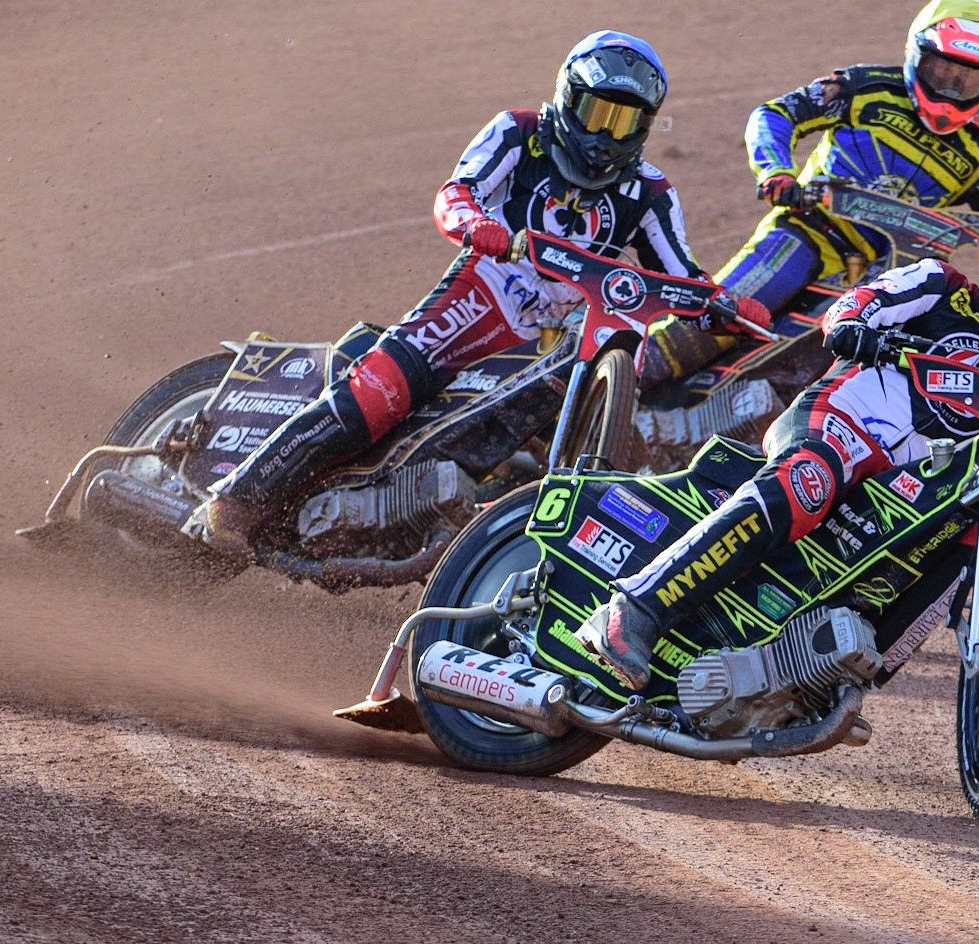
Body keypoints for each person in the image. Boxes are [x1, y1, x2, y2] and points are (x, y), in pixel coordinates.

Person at [579, 179, 979, 691]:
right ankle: (634, 607)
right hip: (847, 425)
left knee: (970, 535)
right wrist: (858, 329)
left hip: (914, 497)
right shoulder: (938, 286)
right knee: (808, 482)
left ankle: (815, 677)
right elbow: (852, 306)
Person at [188, 30, 756, 553]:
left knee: (617, 455)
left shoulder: (649, 191)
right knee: (381, 393)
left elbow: (680, 275)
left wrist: (723, 306)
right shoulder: (519, 132)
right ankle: (233, 503)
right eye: (597, 112)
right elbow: (456, 191)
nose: (608, 134)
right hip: (481, 294)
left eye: (625, 121)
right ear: (566, 98)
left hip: (556, 336)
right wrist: (474, 225)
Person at [641, 0, 979, 388]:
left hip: (879, 274)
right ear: (917, 54)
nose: (953, 89)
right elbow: (775, 113)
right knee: (713, 321)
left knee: (833, 376)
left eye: (969, 79)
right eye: (944, 71)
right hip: (806, 232)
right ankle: (605, 386)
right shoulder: (863, 87)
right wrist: (776, 172)